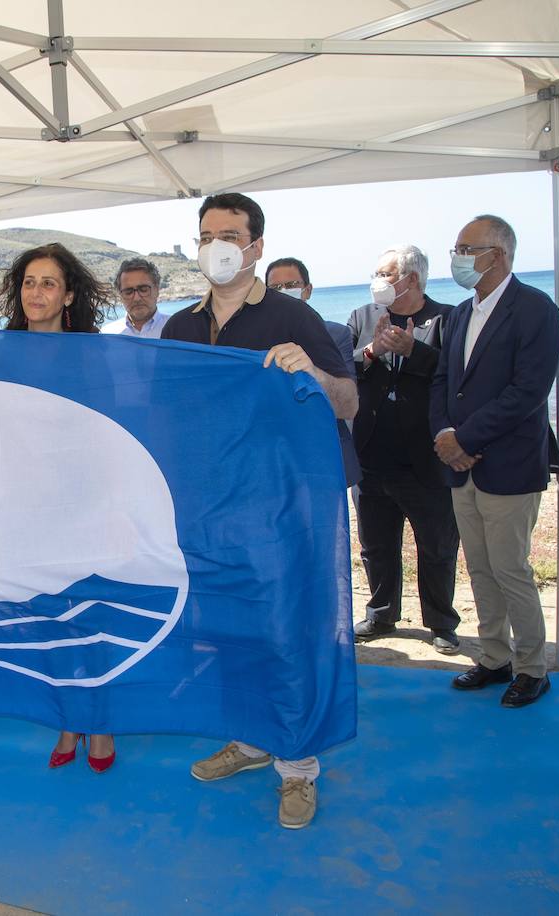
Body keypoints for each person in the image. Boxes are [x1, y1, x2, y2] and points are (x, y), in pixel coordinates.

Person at [163, 193, 357, 830]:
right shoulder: (179, 327)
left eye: (230, 234)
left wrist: (313, 375)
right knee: (223, 630)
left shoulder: (292, 317)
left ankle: (297, 766)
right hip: (207, 509)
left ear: (256, 247)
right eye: (206, 234)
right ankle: (248, 739)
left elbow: (348, 403)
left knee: (286, 632)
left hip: (277, 509)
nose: (217, 245)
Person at [0, 241, 118, 772]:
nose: (35, 292)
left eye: (48, 283)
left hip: (81, 503)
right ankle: (69, 717)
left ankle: (102, 722)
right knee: (48, 614)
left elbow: (110, 432)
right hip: (24, 507)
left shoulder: (92, 354)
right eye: (28, 282)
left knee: (90, 611)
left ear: (68, 296)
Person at [431, 214, 559, 708]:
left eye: (468, 249)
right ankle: (493, 658)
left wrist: (465, 437)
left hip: (507, 464)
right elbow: (443, 381)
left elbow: (528, 391)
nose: (459, 257)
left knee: (511, 569)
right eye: (458, 247)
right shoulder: (461, 314)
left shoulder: (535, 309)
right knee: (480, 568)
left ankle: (532, 667)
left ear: (499, 256)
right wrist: (445, 436)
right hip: (460, 464)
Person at [346, 245, 461, 653]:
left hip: (425, 458)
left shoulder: (446, 318)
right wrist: (374, 351)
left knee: (437, 545)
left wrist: (415, 352)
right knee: (375, 544)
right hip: (372, 454)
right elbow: (344, 368)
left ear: (411, 279)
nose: (378, 280)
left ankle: (442, 622)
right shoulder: (362, 317)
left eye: (386, 273)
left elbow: (456, 374)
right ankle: (381, 614)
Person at [265, 256, 361, 488]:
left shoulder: (336, 334)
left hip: (324, 453)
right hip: (273, 456)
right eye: (275, 288)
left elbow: (347, 399)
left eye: (291, 285)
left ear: (307, 290)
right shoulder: (260, 337)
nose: (284, 291)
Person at [102, 257, 169, 338]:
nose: (137, 298)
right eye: (128, 292)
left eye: (143, 289)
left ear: (157, 290)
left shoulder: (177, 329)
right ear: (120, 295)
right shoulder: (107, 335)